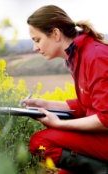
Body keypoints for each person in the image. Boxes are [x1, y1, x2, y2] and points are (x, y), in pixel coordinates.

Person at [23, 5, 108, 174]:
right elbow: (87, 104)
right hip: (101, 137)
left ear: (55, 34)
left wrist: (59, 125)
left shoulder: (95, 56)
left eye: (37, 40)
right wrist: (45, 103)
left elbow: (105, 118)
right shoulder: (78, 55)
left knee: (40, 142)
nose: (35, 48)